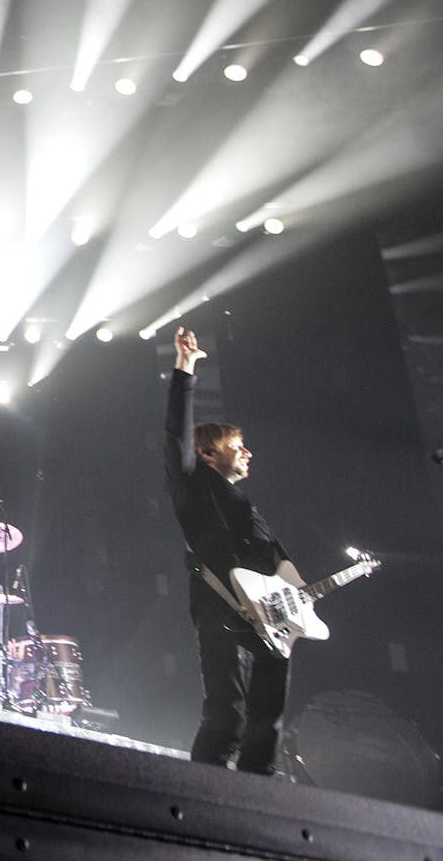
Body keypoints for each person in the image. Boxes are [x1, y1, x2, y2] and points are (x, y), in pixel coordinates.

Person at [164, 326, 291, 775]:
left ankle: (257, 783)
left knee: (267, 713)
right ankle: (208, 787)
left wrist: (292, 593)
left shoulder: (247, 506)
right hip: (220, 603)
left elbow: (277, 560)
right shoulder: (193, 483)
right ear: (209, 454)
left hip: (268, 612)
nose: (249, 453)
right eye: (238, 447)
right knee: (228, 707)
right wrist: (186, 370)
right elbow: (177, 434)